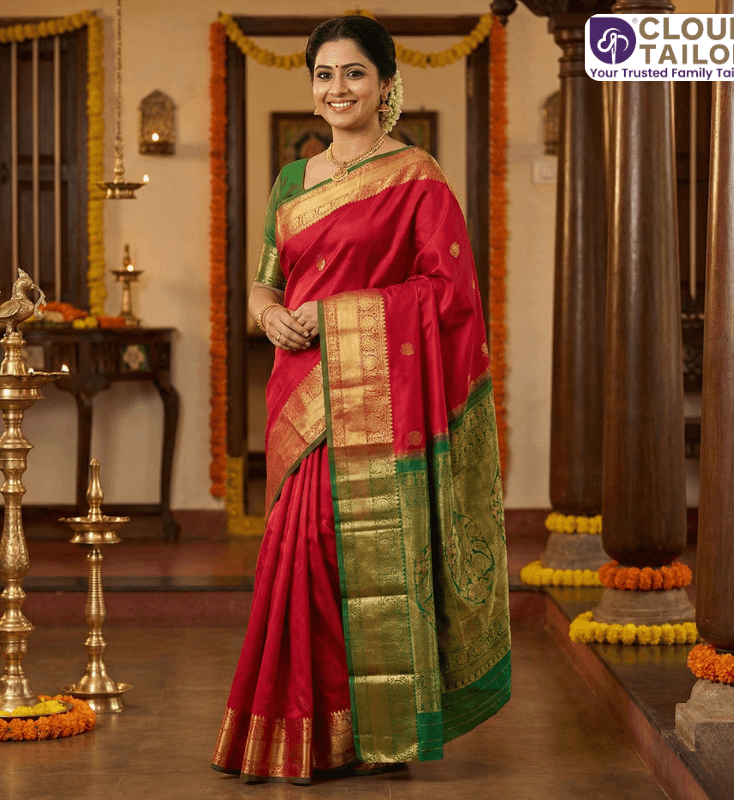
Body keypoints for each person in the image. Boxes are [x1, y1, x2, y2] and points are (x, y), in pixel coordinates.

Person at [211, 15, 510, 785]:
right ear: (311, 89)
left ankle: (370, 733)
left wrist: (341, 315)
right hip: (297, 392)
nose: (336, 89)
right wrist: (265, 312)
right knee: (294, 555)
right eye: (323, 75)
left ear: (384, 84)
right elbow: (264, 280)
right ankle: (297, 729)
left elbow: (451, 293)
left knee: (356, 557)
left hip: (373, 399)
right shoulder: (292, 180)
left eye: (352, 74)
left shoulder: (416, 176)